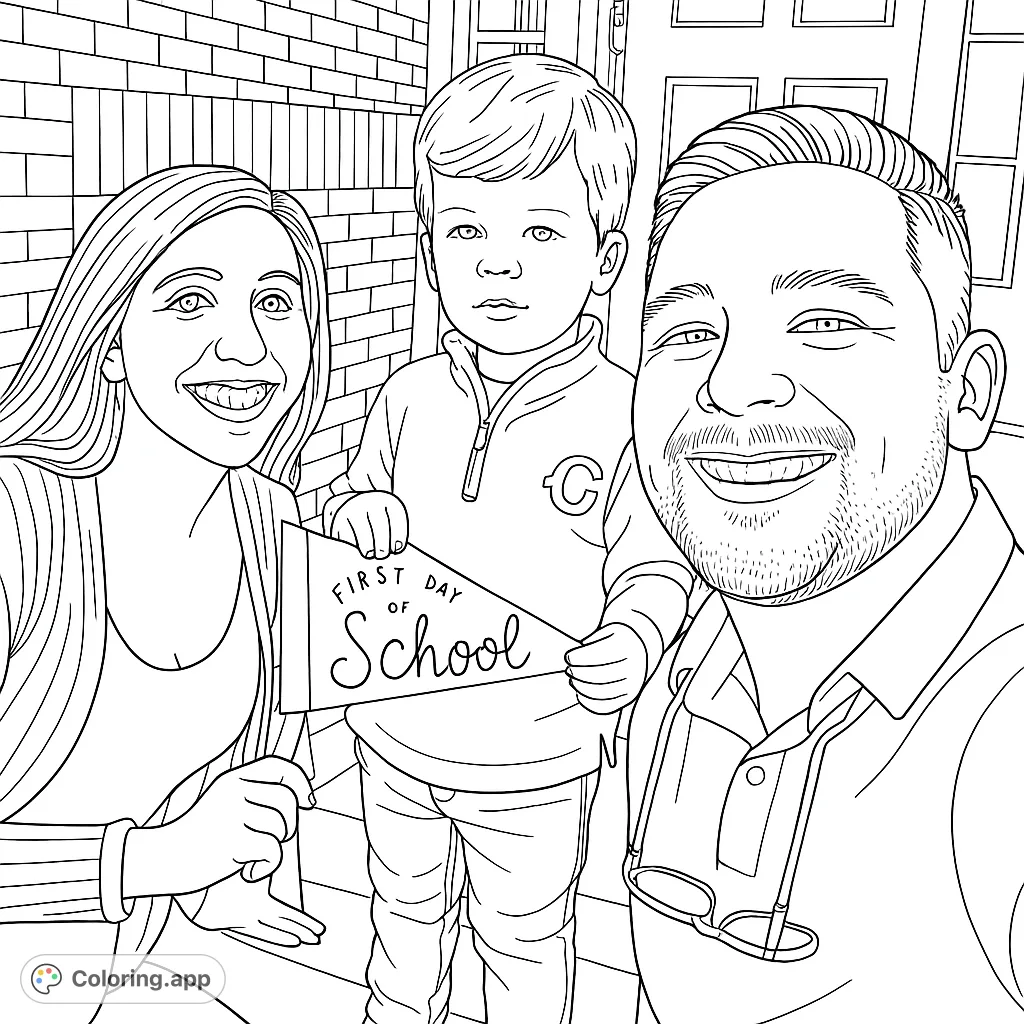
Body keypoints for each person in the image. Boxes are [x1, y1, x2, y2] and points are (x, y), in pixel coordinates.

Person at [625, 105, 1024, 1022]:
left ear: (966, 392)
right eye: (685, 333)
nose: (732, 385)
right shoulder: (690, 665)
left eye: (828, 323)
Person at [321, 55, 695, 1023]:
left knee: (523, 937)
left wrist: (636, 636)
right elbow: (358, 497)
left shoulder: (625, 414)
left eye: (539, 229)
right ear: (430, 248)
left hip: (536, 755)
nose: (497, 261)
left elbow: (654, 564)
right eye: (466, 230)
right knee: (401, 913)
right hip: (393, 736)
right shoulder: (405, 396)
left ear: (605, 261)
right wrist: (361, 511)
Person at [0, 165, 331, 1021]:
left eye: (275, 302)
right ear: (109, 341)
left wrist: (230, 880)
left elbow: (252, 758)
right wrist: (150, 862)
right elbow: (165, 846)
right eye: (190, 301)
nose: (247, 350)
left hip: (126, 975)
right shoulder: (18, 521)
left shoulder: (268, 515)